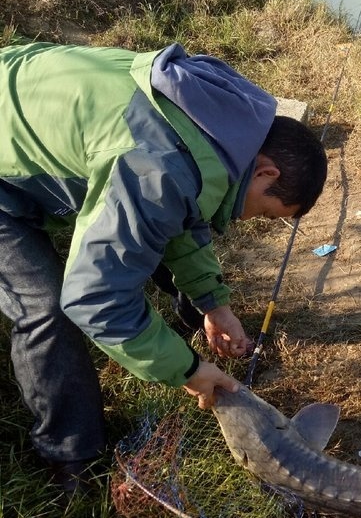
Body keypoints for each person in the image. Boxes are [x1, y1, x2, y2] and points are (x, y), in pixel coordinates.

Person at [0, 41, 327, 493]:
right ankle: (71, 458)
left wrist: (214, 303)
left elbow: (182, 209)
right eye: (267, 213)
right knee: (46, 307)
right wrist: (189, 371)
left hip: (23, 86)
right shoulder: (158, 165)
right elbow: (95, 298)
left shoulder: (222, 122)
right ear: (266, 174)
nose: (251, 220)